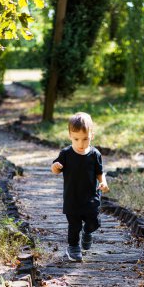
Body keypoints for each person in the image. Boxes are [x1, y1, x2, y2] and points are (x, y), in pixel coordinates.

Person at [51, 112, 109, 262]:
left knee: (94, 221)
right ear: (70, 135)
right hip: (72, 198)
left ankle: (88, 231)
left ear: (92, 135)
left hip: (90, 197)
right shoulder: (66, 153)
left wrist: (103, 182)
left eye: (85, 139)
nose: (81, 143)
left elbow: (99, 172)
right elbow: (55, 170)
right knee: (74, 225)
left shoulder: (95, 154)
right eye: (76, 139)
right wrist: (56, 167)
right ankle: (73, 247)